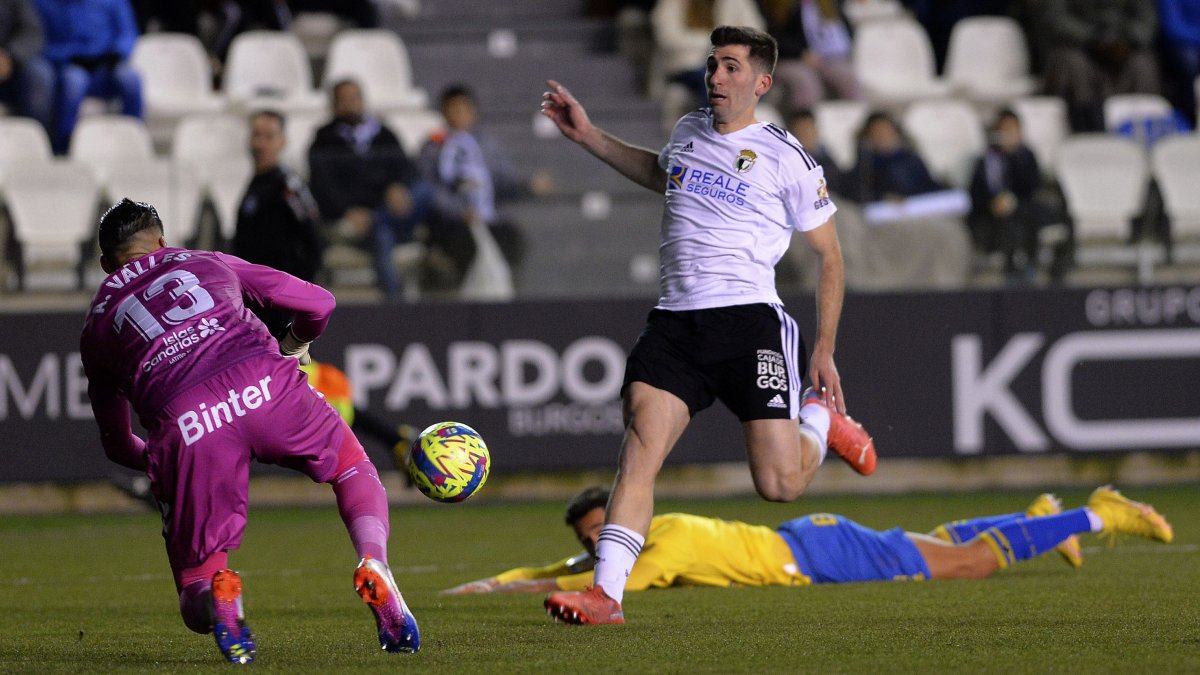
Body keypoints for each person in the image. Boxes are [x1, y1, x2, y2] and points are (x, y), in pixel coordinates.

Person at [539, 25, 875, 625]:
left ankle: (821, 422)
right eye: (713, 65)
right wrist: (588, 136)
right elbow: (659, 174)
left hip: (748, 325)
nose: (716, 77)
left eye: (731, 68)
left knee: (778, 486)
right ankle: (606, 595)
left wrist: (823, 351)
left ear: (762, 82)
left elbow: (830, 256)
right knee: (639, 449)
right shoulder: (688, 130)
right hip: (673, 322)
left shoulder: (787, 156)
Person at [80, 198, 419, 663]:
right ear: (162, 241)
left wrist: (160, 461)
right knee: (350, 466)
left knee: (196, 586)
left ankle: (222, 596)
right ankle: (373, 561)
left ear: (105, 265)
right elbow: (320, 302)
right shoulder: (204, 261)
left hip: (188, 425)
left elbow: (116, 443)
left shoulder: (97, 324)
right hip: (264, 382)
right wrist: (294, 345)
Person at [443, 485, 1172, 601]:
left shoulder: (665, 538)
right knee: (942, 543)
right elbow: (564, 567)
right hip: (814, 539)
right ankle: (1036, 516)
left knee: (967, 566)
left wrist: (526, 590)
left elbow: (613, 585)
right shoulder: (631, 538)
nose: (595, 542)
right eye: (588, 536)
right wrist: (497, 582)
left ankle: (1094, 514)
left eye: (601, 528)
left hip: (820, 556)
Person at [308, 79, 433, 300]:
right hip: (353, 217)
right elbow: (322, 187)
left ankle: (379, 219)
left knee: (424, 190)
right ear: (334, 104)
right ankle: (394, 305)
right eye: (343, 99)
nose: (349, 104)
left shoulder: (383, 133)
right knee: (382, 235)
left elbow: (405, 167)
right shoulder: (324, 140)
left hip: (390, 210)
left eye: (354, 98)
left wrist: (399, 186)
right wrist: (347, 210)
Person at [419, 84, 548, 289]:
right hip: (453, 223)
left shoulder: (488, 146)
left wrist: (528, 186)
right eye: (453, 110)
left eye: (463, 110)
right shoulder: (433, 148)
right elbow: (430, 190)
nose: (458, 115)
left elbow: (504, 182)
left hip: (490, 219)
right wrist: (458, 211)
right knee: (464, 246)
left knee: (511, 239)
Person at [234, 109, 323, 337]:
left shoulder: (288, 186)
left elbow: (313, 242)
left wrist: (297, 297)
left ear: (282, 142)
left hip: (278, 300)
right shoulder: (256, 183)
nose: (260, 143)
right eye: (256, 135)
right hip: (253, 298)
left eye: (269, 136)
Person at [32, 0, 144, 154]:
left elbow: (128, 33)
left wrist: (117, 53)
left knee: (131, 79)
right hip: (71, 66)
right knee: (74, 82)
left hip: (107, 66)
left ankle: (133, 140)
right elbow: (41, 45)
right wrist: (70, 56)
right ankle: (63, 146)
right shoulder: (44, 4)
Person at [1039, 0, 1161, 132]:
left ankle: (1144, 129)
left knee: (1143, 64)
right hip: (1080, 47)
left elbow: (1146, 22)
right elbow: (1055, 19)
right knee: (1074, 63)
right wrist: (1094, 39)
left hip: (1125, 48)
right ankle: (1086, 129)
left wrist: (1125, 40)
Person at [966, 109, 1046, 284]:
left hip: (1022, 213)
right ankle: (1011, 271)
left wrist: (1014, 156)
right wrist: (991, 204)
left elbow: (1031, 187)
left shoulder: (1026, 157)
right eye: (1005, 129)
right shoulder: (986, 161)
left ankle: (1030, 264)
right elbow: (974, 195)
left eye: (1013, 129)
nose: (1009, 134)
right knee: (1010, 221)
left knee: (1029, 212)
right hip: (991, 217)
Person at [757, 0, 860, 114]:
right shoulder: (774, 5)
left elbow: (843, 32)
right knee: (806, 82)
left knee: (848, 78)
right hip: (787, 58)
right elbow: (772, 37)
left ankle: (857, 125)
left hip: (824, 58)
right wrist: (800, 53)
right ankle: (804, 126)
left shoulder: (827, 4)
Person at [843, 111, 943, 204]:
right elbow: (858, 194)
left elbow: (929, 187)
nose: (883, 137)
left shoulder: (911, 160)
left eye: (887, 131)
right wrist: (883, 198)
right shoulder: (864, 168)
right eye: (877, 133)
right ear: (867, 138)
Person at [0, 0, 54, 136]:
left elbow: (32, 33)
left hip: (12, 63)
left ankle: (35, 142)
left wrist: (10, 56)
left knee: (40, 74)